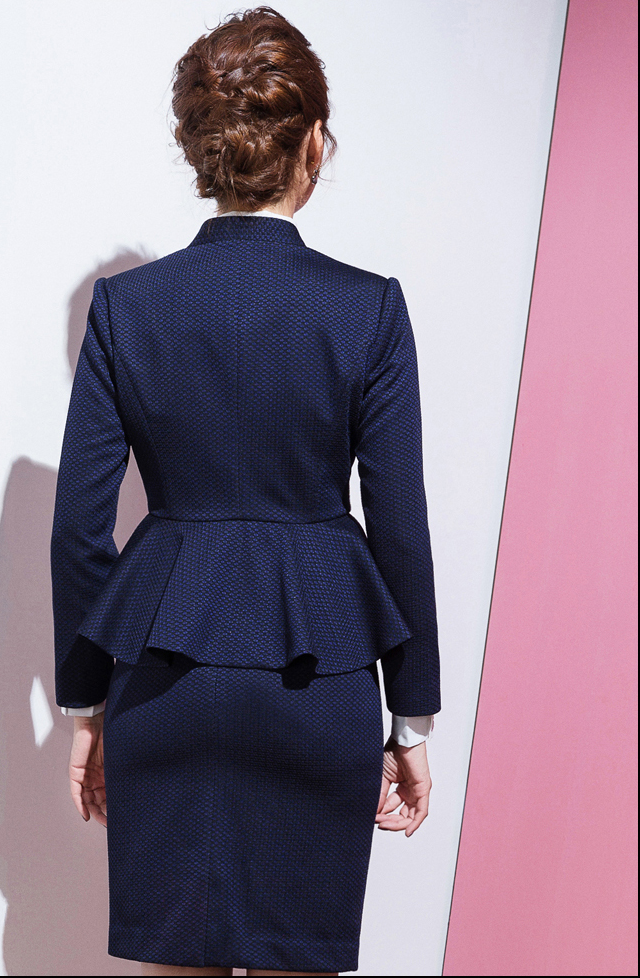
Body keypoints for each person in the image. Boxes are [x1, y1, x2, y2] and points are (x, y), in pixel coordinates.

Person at [50, 6, 441, 976]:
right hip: (318, 680)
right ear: (313, 142)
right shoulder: (368, 310)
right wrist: (411, 718)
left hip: (164, 685)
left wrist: (86, 706)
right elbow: (399, 528)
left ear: (199, 149)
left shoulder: (126, 310)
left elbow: (80, 533)